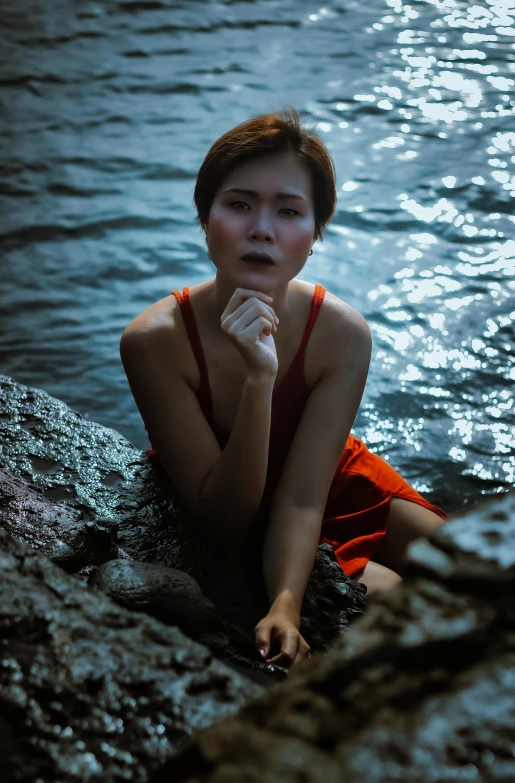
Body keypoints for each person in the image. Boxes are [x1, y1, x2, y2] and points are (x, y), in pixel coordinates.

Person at [120, 106, 447, 670]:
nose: (262, 229)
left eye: (289, 210)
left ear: (316, 233)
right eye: (239, 204)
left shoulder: (342, 334)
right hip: (229, 488)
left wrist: (287, 603)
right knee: (400, 602)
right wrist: (259, 377)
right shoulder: (155, 341)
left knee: (474, 569)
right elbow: (225, 517)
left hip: (328, 478)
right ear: (205, 217)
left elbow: (303, 495)